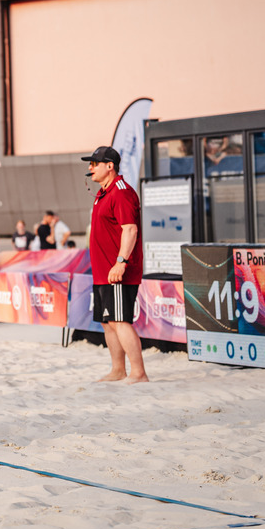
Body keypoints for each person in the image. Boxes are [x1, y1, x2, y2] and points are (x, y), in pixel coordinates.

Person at [82, 146, 148, 384]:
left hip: (118, 271)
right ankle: (118, 370)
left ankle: (138, 372)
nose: (90, 168)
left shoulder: (121, 191)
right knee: (108, 322)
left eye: (94, 163)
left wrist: (121, 262)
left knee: (120, 321)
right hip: (102, 272)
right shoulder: (102, 193)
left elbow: (130, 229)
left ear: (109, 166)